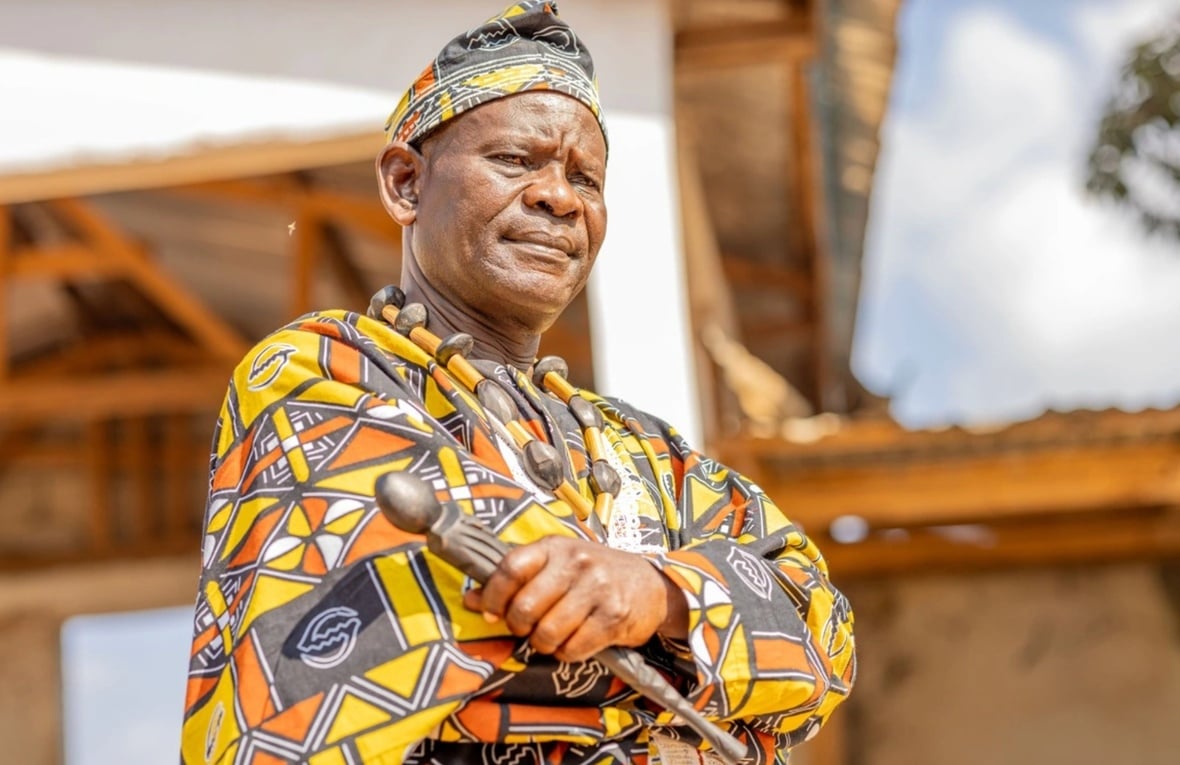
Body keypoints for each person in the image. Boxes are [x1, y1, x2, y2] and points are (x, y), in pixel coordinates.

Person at [181, 3, 855, 763]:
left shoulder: (646, 449)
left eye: (585, 178)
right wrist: (702, 638)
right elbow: (429, 596)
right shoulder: (317, 370)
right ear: (406, 184)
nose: (558, 197)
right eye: (515, 161)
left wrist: (654, 594)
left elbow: (820, 628)